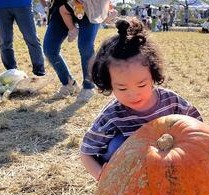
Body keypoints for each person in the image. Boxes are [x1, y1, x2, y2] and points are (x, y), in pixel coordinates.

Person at [80, 18, 202, 181]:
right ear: (110, 84)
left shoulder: (171, 102)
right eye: (122, 88)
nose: (133, 94)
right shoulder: (112, 116)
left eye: (141, 84)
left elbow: (198, 130)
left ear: (153, 74)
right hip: (131, 177)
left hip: (169, 165)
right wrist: (102, 177)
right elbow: (86, 152)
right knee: (118, 145)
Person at [43, 0, 111, 101]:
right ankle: (69, 84)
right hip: (61, 6)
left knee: (85, 47)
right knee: (49, 49)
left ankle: (88, 86)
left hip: (90, 6)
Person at [0, 0, 45, 77]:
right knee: (5, 42)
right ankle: (12, 74)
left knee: (32, 39)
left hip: (23, 4)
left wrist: (44, 3)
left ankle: (39, 72)